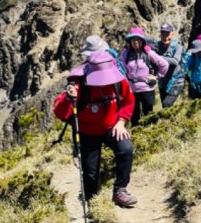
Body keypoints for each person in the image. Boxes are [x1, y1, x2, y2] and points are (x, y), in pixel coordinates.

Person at [54, 50, 138, 208]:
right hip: (87, 132)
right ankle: (92, 201)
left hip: (112, 127)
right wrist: (67, 98)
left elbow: (128, 101)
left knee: (126, 150)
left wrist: (121, 122)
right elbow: (59, 112)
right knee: (90, 172)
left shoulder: (118, 82)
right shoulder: (78, 86)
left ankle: (120, 190)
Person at [119, 27, 169, 126]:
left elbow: (164, 64)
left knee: (148, 114)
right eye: (133, 40)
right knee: (134, 115)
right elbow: (119, 64)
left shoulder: (148, 52)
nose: (135, 42)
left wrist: (157, 77)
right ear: (130, 41)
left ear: (142, 41)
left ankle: (148, 134)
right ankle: (136, 136)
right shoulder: (127, 52)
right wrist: (126, 74)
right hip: (132, 89)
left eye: (138, 39)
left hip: (147, 89)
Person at [153, 23, 186, 107]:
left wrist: (159, 58)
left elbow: (175, 61)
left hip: (176, 81)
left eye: (167, 34)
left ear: (172, 34)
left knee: (167, 104)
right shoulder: (157, 46)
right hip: (162, 81)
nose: (165, 37)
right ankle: (170, 120)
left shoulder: (178, 46)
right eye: (163, 34)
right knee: (165, 106)